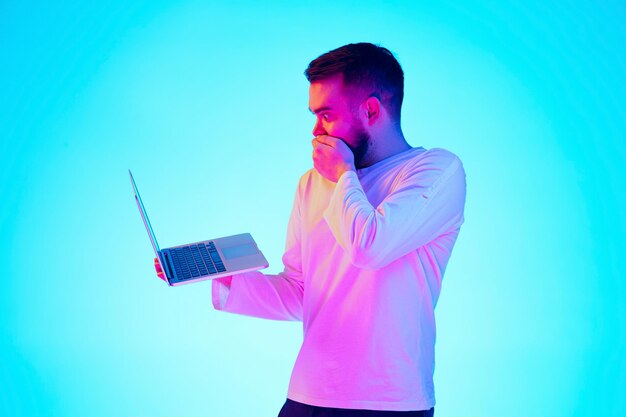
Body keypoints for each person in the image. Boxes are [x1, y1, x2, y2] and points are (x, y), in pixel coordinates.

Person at [155, 42, 466, 416]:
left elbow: (370, 246)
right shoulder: (312, 183)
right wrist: (218, 274)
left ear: (370, 110)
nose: (316, 129)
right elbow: (301, 292)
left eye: (326, 115)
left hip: (390, 402)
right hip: (307, 396)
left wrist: (342, 174)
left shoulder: (436, 171)